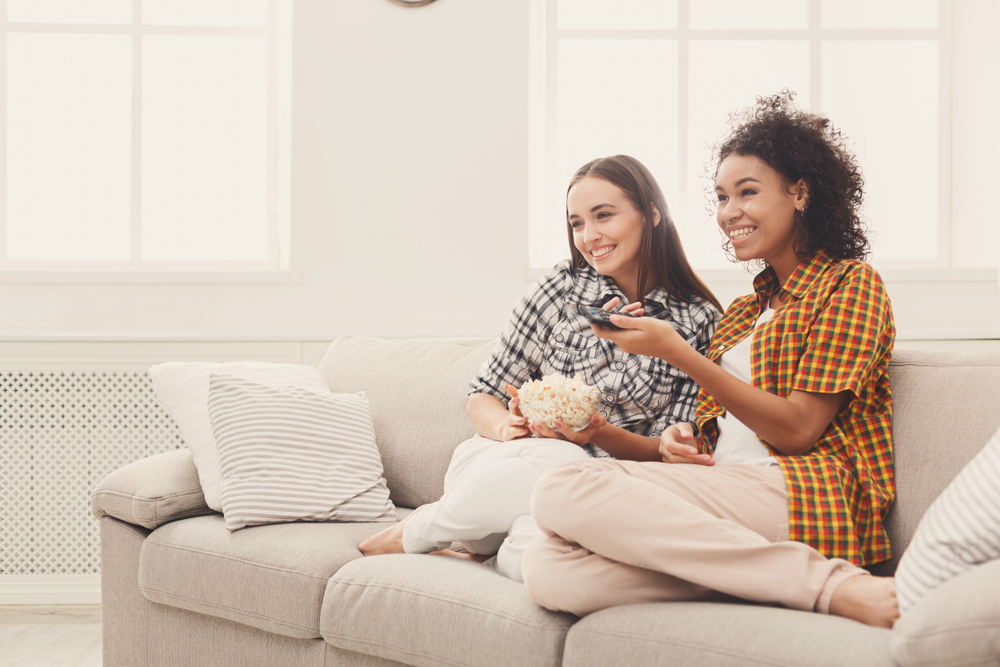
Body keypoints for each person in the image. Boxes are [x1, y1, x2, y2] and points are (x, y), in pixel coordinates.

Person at [520, 92, 900, 627]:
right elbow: (706, 448)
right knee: (546, 566)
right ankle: (760, 578)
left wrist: (677, 351)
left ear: (801, 193)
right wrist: (643, 439)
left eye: (747, 193)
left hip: (803, 490)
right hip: (729, 490)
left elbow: (796, 430)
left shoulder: (850, 285)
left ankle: (830, 584)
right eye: (722, 197)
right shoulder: (743, 313)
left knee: (561, 488)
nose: (729, 213)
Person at [359, 155, 722, 582]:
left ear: (652, 213)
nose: (589, 236)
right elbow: (483, 394)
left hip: (589, 487)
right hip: (502, 461)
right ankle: (420, 531)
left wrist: (598, 432)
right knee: (552, 456)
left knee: (536, 555)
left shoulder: (697, 322)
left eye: (603, 215)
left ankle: (477, 554)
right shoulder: (563, 286)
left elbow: (664, 451)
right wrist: (509, 428)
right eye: (577, 223)